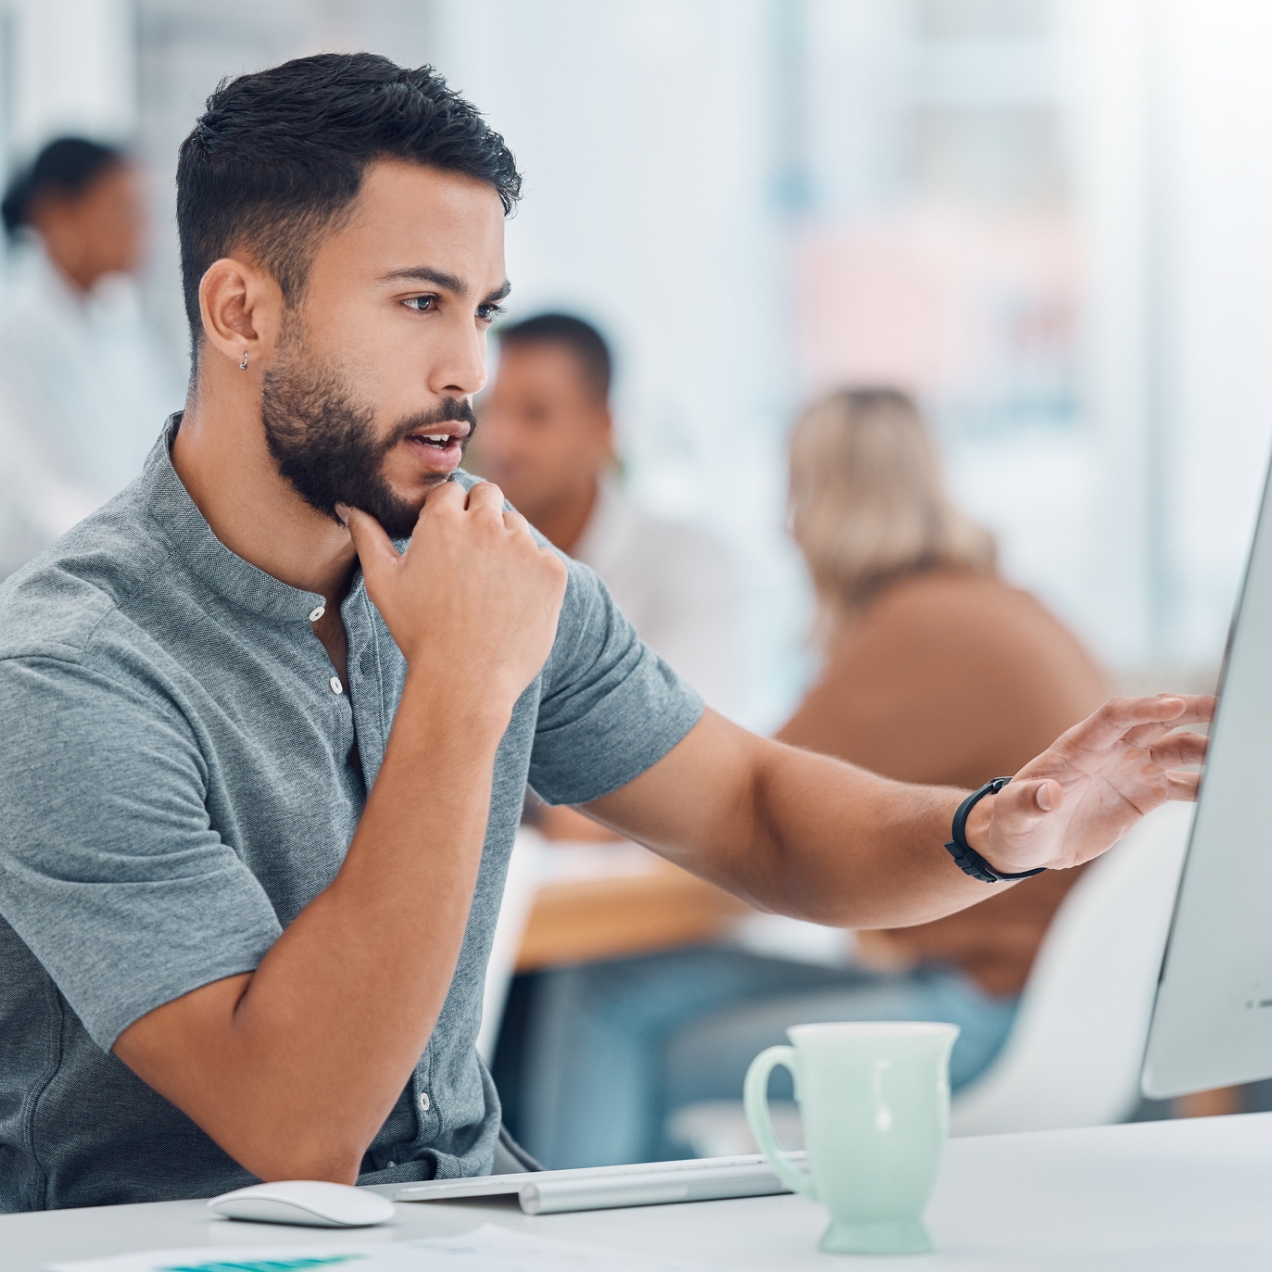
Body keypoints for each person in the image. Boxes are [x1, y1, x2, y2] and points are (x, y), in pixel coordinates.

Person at [0, 53, 1209, 1214]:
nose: (468, 367)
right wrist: (463, 687)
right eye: (420, 301)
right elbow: (301, 1131)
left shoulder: (499, 571)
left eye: (483, 310)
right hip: (171, 1242)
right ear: (242, 310)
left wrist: (990, 827)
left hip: (473, 1214)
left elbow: (753, 810)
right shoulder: (70, 676)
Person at [506, 388, 1111, 1168]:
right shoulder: (1001, 606)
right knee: (612, 989)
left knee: (607, 1009)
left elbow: (724, 802)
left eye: (792, 495)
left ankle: (573, 1245)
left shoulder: (916, 628)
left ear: (822, 503)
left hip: (980, 1015)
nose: (782, 526)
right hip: (1042, 1002)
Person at [475, 313, 738, 717]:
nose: (499, 439)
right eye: (492, 411)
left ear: (603, 428)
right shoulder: (464, 557)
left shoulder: (684, 561)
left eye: (535, 414)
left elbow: (691, 736)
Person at [0, 137, 185, 577]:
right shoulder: (15, 330)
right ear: (57, 215)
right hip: (56, 579)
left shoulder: (120, 322)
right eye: (122, 210)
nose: (142, 231)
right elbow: (40, 496)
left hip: (130, 557)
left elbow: (174, 440)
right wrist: (147, 551)